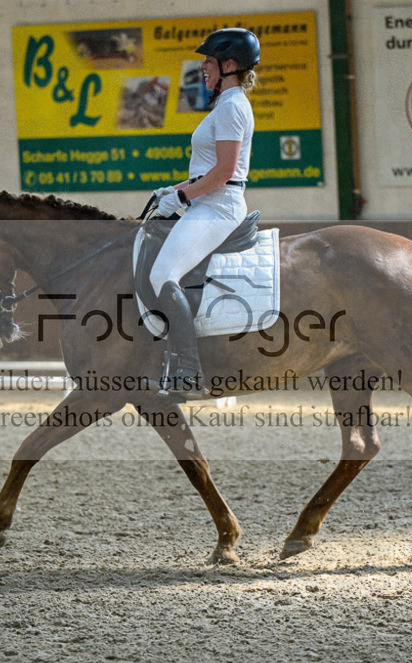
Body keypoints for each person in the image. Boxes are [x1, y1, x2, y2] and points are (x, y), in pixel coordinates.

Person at [149, 27, 259, 398]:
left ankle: (188, 372)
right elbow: (208, 171)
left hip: (218, 206)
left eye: (209, 61)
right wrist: (174, 190)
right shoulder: (225, 104)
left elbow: (225, 172)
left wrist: (182, 198)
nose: (203, 67)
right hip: (208, 200)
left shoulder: (231, 107)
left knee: (163, 274)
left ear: (229, 65)